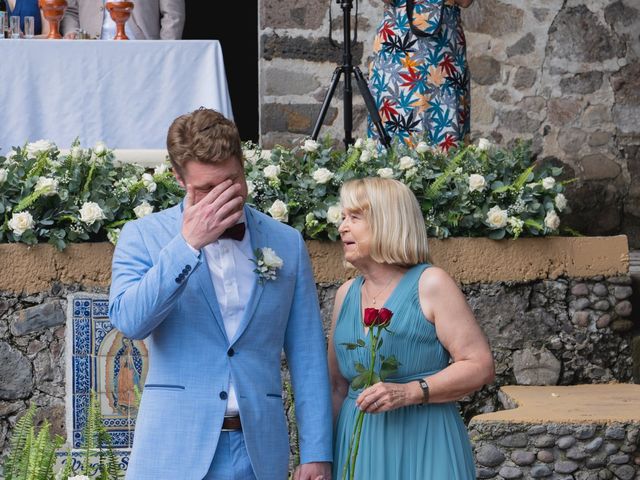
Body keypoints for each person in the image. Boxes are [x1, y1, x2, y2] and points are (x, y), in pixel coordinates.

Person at [109, 108, 332, 480]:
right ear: (178, 178)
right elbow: (130, 321)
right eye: (206, 189)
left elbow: (307, 354)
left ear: (243, 167)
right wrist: (187, 245)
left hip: (259, 452)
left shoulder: (286, 242)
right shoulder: (143, 236)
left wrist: (317, 452)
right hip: (174, 450)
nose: (222, 198)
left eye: (231, 182)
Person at [328, 177, 494, 479]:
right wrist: (324, 457)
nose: (342, 227)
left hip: (424, 441)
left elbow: (479, 365)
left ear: (386, 222)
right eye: (342, 217)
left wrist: (410, 392)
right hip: (357, 445)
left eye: (355, 217)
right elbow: (338, 386)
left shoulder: (431, 283)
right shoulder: (345, 294)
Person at [368, 0, 474, 151]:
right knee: (394, 114)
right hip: (397, 43)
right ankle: (392, 171)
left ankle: (447, 171)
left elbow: (465, 2)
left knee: (446, 117)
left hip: (445, 46)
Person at [61, 0, 184, 39]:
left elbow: (173, 14)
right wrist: (72, 32)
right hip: (91, 51)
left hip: (143, 50)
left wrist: (165, 51)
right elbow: (70, 11)